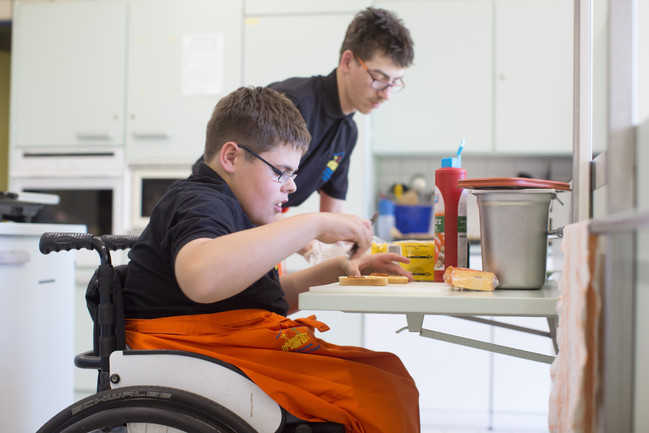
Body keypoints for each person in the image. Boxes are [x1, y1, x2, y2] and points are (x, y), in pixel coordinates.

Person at [124, 86, 420, 432]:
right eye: (281, 171)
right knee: (379, 389)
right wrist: (316, 221)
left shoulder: (238, 212)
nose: (291, 187)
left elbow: (267, 299)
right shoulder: (201, 202)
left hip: (226, 348)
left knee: (385, 373)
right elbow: (201, 278)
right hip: (194, 357)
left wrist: (340, 270)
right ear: (231, 158)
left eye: (294, 174)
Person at [193, 7, 415, 214]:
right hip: (216, 213)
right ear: (347, 62)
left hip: (265, 225)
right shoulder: (292, 102)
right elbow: (248, 191)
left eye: (395, 83)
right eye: (379, 79)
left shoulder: (347, 132)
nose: (386, 94)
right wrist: (308, 241)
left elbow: (332, 215)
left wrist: (347, 243)